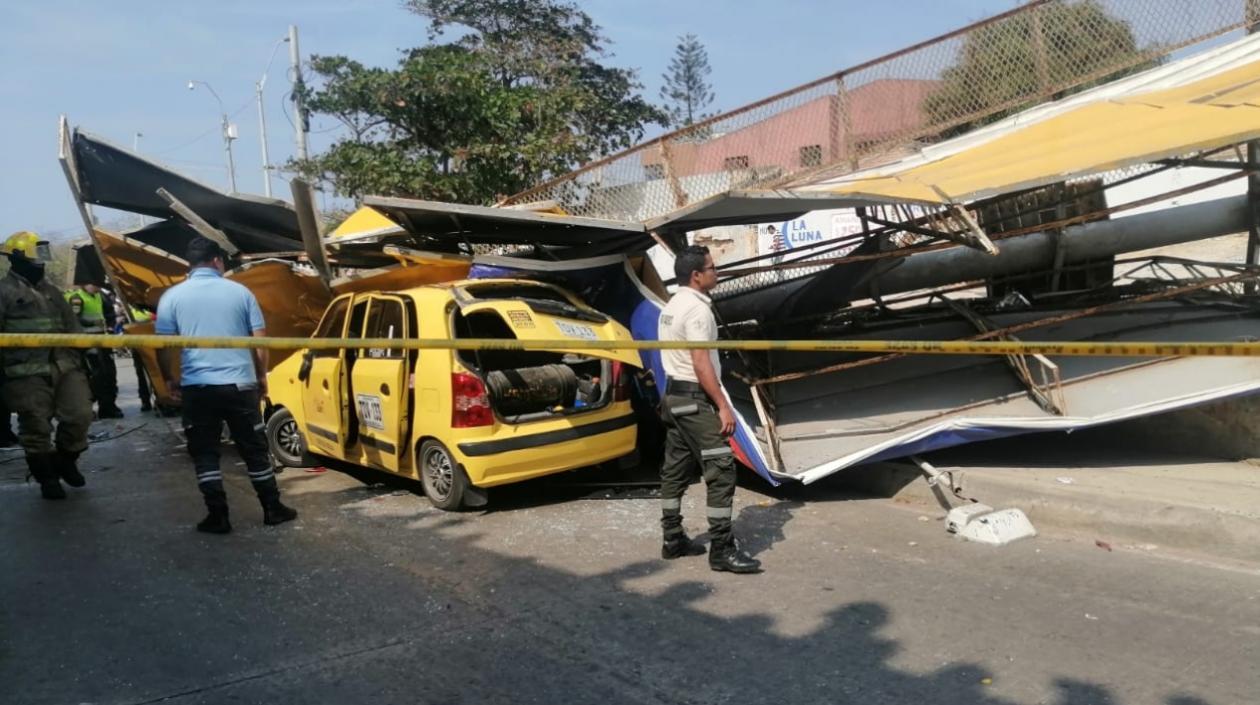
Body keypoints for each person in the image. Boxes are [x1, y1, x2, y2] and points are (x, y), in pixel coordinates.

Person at [156, 236, 296, 534]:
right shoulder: (240, 292)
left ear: (190, 265)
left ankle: (217, 515)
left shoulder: (172, 297)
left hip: (198, 388)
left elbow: (163, 345)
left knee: (205, 452)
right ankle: (272, 508)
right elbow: (260, 341)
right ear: (217, 261)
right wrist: (261, 376)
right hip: (239, 386)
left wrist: (168, 378)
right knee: (254, 450)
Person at [656, 245, 761, 574]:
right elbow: (701, 365)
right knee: (722, 470)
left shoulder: (672, 304)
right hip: (694, 398)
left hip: (674, 398)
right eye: (712, 268)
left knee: (675, 471)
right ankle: (722, 550)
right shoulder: (698, 311)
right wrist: (723, 406)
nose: (717, 272)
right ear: (696, 276)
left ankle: (672, 540)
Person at [0, 231, 94, 500]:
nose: (41, 262)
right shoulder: (4, 292)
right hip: (24, 374)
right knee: (36, 427)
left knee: (80, 415)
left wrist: (87, 356)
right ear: (17, 258)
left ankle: (65, 461)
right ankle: (47, 479)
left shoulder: (52, 292)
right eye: (35, 255)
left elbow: (72, 329)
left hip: (65, 367)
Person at [65, 281, 123, 418]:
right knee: (92, 378)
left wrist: (110, 326)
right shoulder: (77, 298)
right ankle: (87, 409)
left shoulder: (100, 296)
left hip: (102, 342)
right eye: (94, 284)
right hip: (87, 344)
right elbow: (73, 320)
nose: (97, 287)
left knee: (109, 375)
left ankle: (108, 407)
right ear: (85, 283)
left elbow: (109, 314)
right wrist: (92, 323)